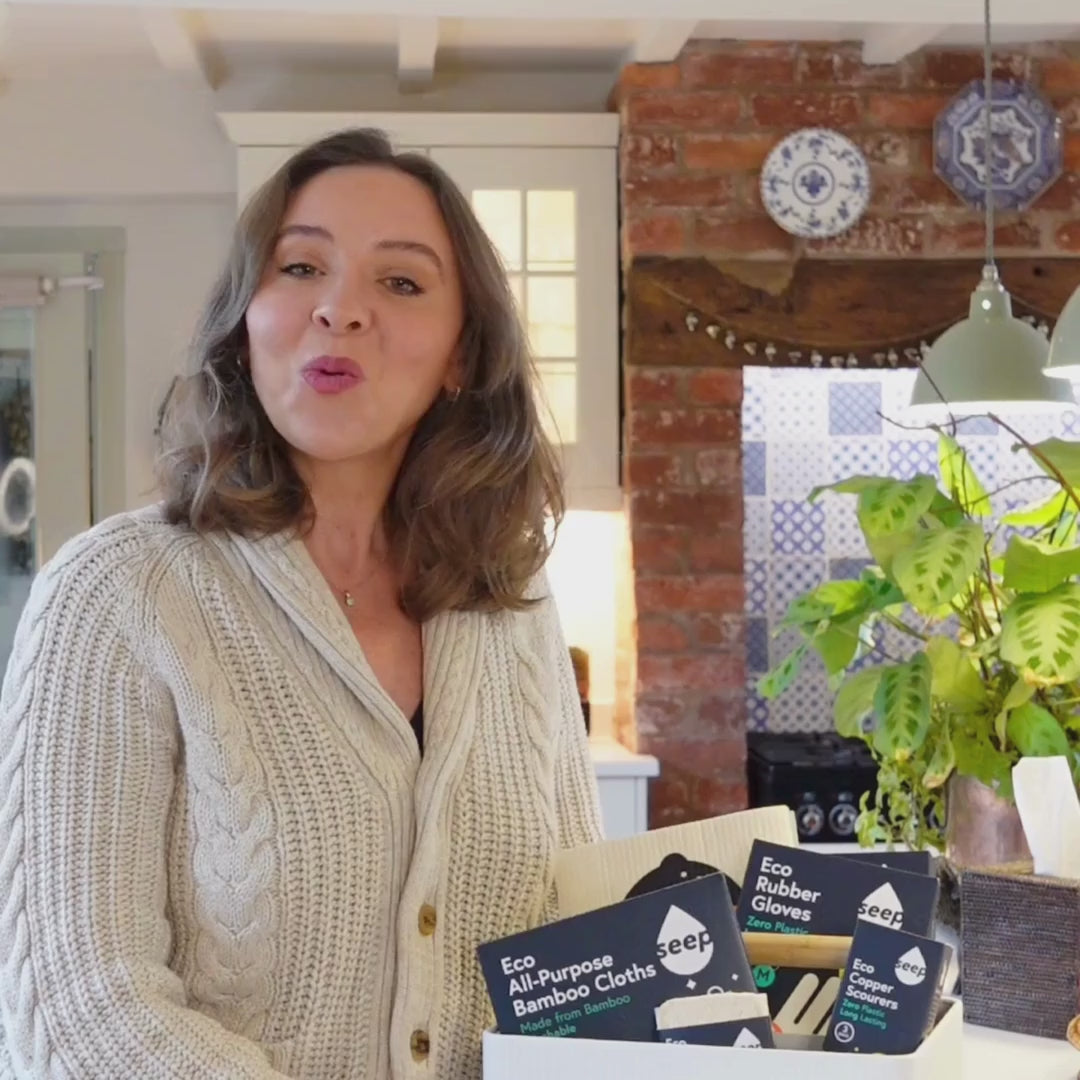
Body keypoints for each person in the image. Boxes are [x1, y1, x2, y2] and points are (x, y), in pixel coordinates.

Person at [0, 128, 603, 1080]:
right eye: (300, 267)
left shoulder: (512, 606)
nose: (340, 308)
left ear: (460, 355)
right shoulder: (115, 594)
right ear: (247, 320)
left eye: (400, 281)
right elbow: (83, 1014)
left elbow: (577, 951)